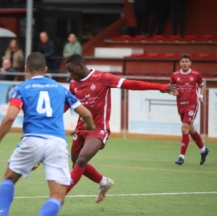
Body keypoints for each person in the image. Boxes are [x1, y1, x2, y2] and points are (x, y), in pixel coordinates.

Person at [0, 52, 94, 216]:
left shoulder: (21, 88)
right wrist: (90, 126)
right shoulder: (60, 89)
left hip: (32, 140)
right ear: (45, 70)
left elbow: (10, 117)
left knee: (9, 179)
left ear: (26, 69)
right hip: (57, 144)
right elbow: (85, 113)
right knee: (58, 195)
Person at [64, 54, 178, 203]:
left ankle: (59, 195)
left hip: (99, 127)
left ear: (80, 66)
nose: (70, 75)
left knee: (81, 160)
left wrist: (161, 87)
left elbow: (131, 84)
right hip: (81, 129)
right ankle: (104, 182)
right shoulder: (73, 83)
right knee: (77, 164)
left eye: (71, 71)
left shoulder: (102, 78)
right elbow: (68, 103)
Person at [170, 54, 209, 165]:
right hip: (181, 105)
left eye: (187, 61)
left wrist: (201, 96)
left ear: (190, 63)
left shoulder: (196, 74)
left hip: (192, 104)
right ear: (180, 63)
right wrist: (173, 92)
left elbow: (203, 85)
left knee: (184, 128)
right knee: (190, 129)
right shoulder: (175, 75)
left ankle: (181, 157)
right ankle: (203, 150)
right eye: (182, 61)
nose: (185, 63)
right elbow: (170, 88)